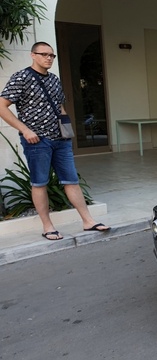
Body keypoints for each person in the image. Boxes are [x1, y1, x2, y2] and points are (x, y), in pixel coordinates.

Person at [0, 42, 110, 241]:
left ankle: (88, 221)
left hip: (60, 141)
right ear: (33, 55)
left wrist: (68, 133)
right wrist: (25, 130)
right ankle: (47, 226)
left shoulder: (54, 80)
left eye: (52, 55)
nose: (48, 58)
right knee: (39, 183)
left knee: (71, 181)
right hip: (37, 141)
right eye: (44, 54)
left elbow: (59, 107)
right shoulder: (21, 77)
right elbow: (2, 106)